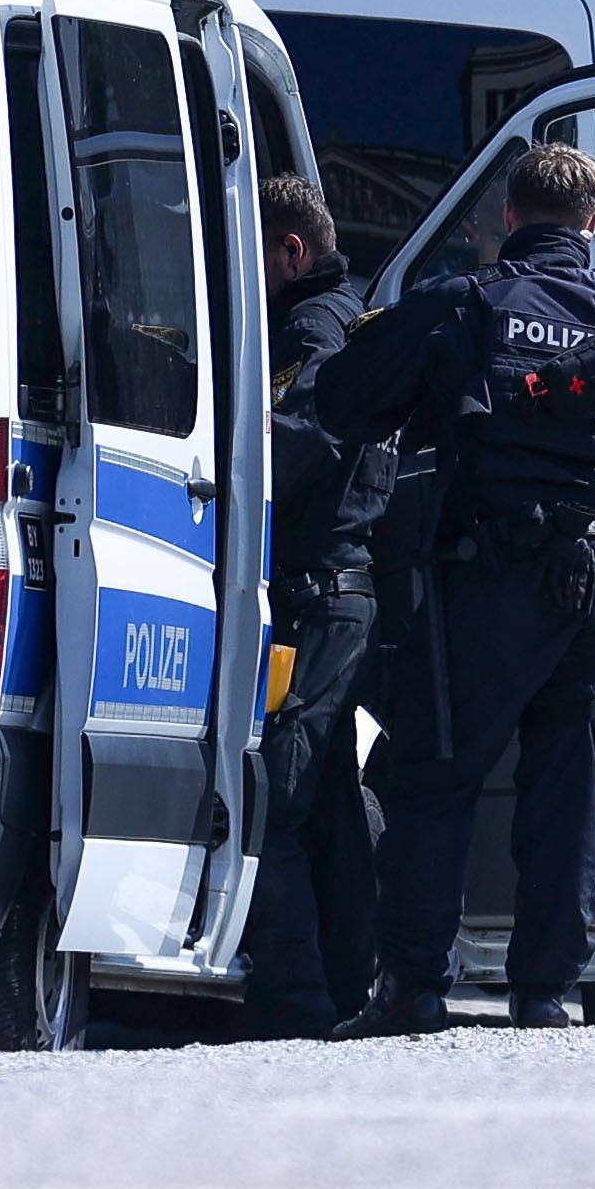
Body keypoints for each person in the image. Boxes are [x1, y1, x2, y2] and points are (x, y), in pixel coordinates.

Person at [305, 137, 595, 1034]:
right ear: (593, 223)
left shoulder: (462, 302)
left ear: (506, 213)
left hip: (496, 567)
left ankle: (413, 987)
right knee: (568, 777)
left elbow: (340, 399)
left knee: (436, 768)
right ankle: (546, 993)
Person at [237, 175, 394, 1038]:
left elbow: (300, 442)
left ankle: (290, 1001)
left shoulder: (310, 328)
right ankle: (342, 990)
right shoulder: (352, 316)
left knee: (278, 799)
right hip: (338, 593)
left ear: (290, 250)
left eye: (252, 252)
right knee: (329, 803)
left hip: (314, 595)